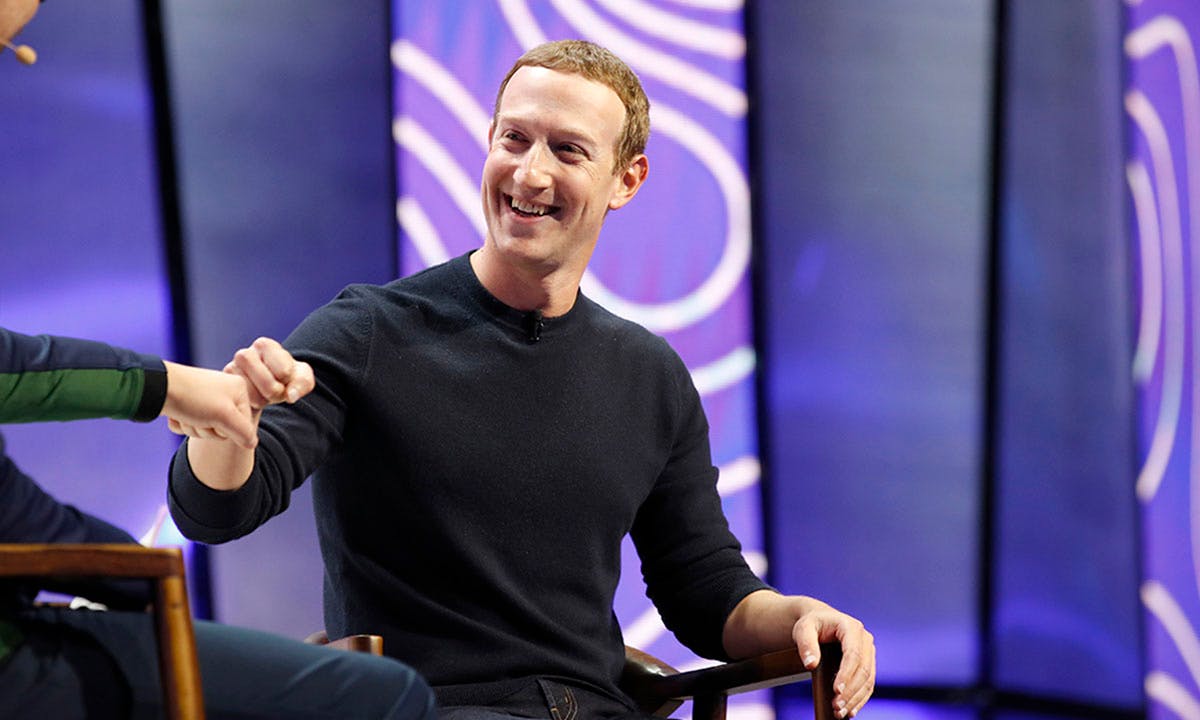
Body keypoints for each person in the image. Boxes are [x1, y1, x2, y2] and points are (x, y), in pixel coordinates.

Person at [170, 40, 876, 719]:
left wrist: (802, 618)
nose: (530, 174)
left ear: (626, 180)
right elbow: (217, 511)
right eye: (514, 139)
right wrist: (229, 421)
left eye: (567, 150)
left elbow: (706, 591)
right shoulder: (369, 331)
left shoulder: (650, 376)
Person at [0, 327, 435, 719]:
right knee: (385, 695)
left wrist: (171, 386)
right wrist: (132, 574)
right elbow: (211, 511)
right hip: (16, 665)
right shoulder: (370, 330)